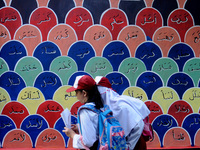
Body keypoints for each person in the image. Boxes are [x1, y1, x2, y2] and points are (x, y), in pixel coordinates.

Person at [95, 76, 151, 150]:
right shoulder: (99, 107)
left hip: (134, 144)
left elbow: (139, 125)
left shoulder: (121, 106)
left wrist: (129, 146)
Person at [62, 75, 103, 150]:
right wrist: (79, 127)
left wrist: (72, 135)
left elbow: (88, 142)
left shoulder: (85, 111)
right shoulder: (100, 107)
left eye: (76, 92)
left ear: (84, 93)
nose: (76, 96)